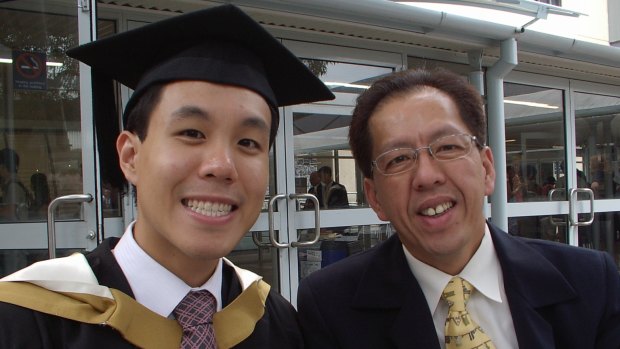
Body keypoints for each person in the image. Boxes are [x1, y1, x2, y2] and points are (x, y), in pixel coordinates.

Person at [0, 4, 333, 349]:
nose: (221, 166)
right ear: (130, 157)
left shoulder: (277, 323)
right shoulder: (24, 322)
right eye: (191, 133)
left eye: (248, 142)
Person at [297, 68, 620, 348]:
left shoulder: (590, 281)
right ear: (375, 197)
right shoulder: (331, 305)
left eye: (448, 147)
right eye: (398, 159)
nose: (427, 176)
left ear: (487, 169)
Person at [0, 148, 31, 221]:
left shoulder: (13, 187)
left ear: (3, 167)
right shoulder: (11, 185)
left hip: (17, 229)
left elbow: (10, 212)